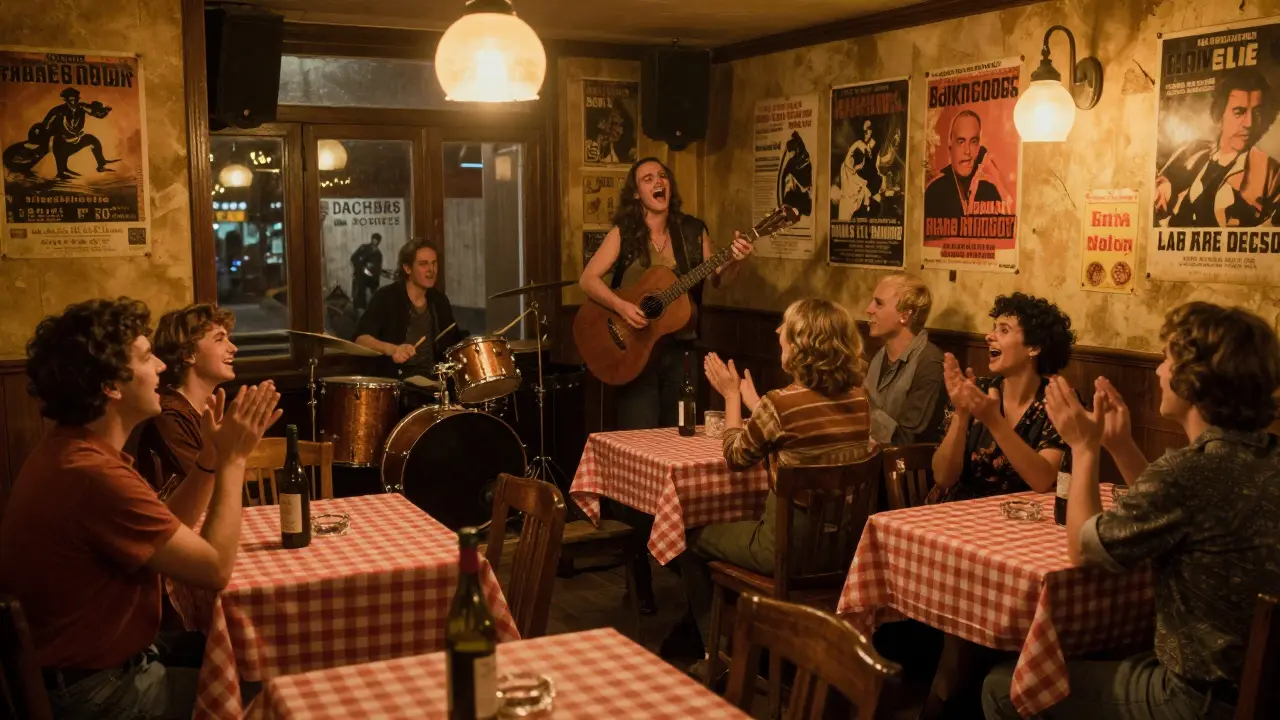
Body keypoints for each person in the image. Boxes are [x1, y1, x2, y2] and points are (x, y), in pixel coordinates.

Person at [984, 302, 1280, 719]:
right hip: (1261, 688)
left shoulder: (1188, 471)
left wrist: (1084, 448)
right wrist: (1120, 446)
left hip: (1196, 698)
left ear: (1193, 380)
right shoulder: (1265, 458)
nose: (1158, 371)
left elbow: (1084, 549)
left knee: (1003, 686)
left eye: (1166, 359)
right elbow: (1172, 511)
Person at [0, 297, 281, 719]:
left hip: (102, 663)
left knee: (260, 651)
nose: (163, 367)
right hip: (98, 689)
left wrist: (209, 458)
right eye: (148, 357)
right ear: (112, 386)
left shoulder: (74, 450)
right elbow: (214, 570)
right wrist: (234, 460)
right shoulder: (91, 475)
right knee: (271, 690)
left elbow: (169, 526)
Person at [578, 156, 753, 612]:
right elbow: (588, 279)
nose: (658, 182)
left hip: (681, 357)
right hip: (633, 357)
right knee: (637, 461)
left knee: (680, 450)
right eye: (647, 178)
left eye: (662, 176)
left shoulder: (693, 231)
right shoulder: (625, 233)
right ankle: (639, 577)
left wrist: (734, 262)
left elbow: (719, 279)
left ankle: (685, 569)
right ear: (636, 192)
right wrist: (622, 306)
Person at [675, 298, 875, 674]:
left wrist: (731, 397)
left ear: (803, 344)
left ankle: (719, 657)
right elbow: (800, 427)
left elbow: (735, 456)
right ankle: (757, 642)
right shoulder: (859, 400)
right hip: (840, 551)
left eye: (786, 326)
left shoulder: (781, 405)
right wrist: (756, 404)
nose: (778, 332)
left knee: (686, 538)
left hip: (784, 550)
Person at [135, 303, 238, 497]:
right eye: (219, 339)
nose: (233, 348)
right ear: (188, 355)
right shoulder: (169, 415)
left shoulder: (208, 409)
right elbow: (208, 488)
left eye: (228, 339)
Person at [1155, 70, 1280, 227]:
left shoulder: (1271, 173)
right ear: (1220, 114)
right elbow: (1159, 192)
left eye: (1257, 113)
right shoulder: (1193, 151)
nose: (1249, 123)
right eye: (1239, 112)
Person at [354, 238, 465, 381]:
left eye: (434, 263)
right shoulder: (386, 297)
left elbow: (454, 341)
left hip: (435, 382)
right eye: (423, 264)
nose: (431, 270)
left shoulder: (439, 300)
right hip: (397, 382)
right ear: (407, 268)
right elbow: (361, 339)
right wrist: (394, 349)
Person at [863, 273, 945, 445]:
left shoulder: (929, 362)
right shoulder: (879, 356)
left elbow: (910, 438)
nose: (869, 309)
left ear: (905, 315)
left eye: (879, 303)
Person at [924, 110, 1012, 218]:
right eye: (961, 141)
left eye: (973, 141)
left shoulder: (990, 189)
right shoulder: (934, 191)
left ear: (979, 146)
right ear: (950, 144)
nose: (967, 151)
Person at [42, 87, 119, 180]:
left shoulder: (81, 107)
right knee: (58, 141)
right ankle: (61, 171)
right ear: (66, 100)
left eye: (75, 99)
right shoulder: (58, 110)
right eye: (70, 100)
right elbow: (45, 125)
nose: (73, 102)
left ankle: (101, 164)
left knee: (92, 140)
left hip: (76, 140)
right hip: (62, 142)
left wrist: (105, 111)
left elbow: (96, 113)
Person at [349, 232, 384, 311]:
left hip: (371, 278)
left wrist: (374, 272)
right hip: (360, 275)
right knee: (359, 296)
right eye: (374, 239)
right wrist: (361, 267)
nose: (375, 242)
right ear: (372, 239)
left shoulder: (378, 254)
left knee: (372, 296)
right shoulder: (363, 248)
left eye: (377, 240)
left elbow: (378, 268)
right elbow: (353, 259)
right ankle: (359, 309)